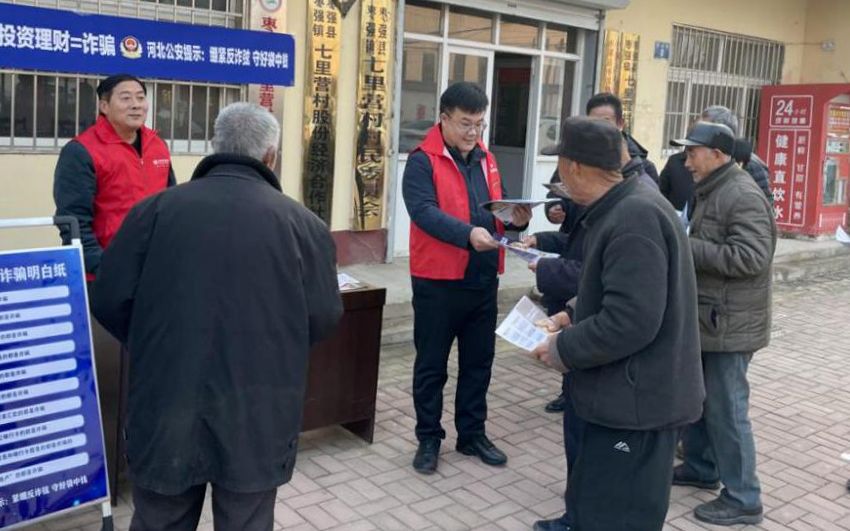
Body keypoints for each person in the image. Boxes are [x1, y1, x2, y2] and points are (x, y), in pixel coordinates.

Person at [91, 103, 343, 530]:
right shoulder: (303, 225)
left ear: (215, 146)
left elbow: (109, 299)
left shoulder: (154, 212)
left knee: (160, 519)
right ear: (270, 156)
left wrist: (153, 344)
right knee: (247, 520)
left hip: (167, 399)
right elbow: (324, 316)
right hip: (259, 406)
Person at [529, 117, 704, 530]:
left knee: (615, 516)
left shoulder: (634, 216)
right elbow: (622, 289)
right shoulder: (624, 205)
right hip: (627, 397)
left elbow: (631, 320)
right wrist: (571, 313)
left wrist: (562, 348)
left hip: (637, 406)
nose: (559, 176)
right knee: (594, 506)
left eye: (560, 166)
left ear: (574, 167)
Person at [403, 82, 531, 475]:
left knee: (479, 362)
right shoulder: (422, 161)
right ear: (443, 119)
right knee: (432, 366)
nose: (473, 132)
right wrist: (467, 234)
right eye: (465, 124)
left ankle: (472, 434)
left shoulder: (487, 159)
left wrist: (516, 220)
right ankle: (428, 437)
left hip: (482, 278)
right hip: (438, 282)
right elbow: (424, 212)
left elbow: (498, 207)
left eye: (479, 124)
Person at [670, 121, 776, 526]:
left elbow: (752, 258)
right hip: (710, 317)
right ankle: (701, 467)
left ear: (717, 154)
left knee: (728, 410)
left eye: (692, 153)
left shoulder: (741, 194)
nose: (686, 161)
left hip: (731, 324)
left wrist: (688, 246)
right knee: (701, 400)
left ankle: (744, 497)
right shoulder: (712, 188)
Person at [53, 73, 175, 279]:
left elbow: (171, 204)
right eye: (126, 98)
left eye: (140, 97)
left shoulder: (158, 145)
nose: (136, 105)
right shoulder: (81, 151)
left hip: (155, 269)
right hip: (107, 273)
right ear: (104, 106)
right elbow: (73, 220)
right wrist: (103, 267)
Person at [659, 105, 772, 211]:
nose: (688, 163)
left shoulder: (749, 170)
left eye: (703, 129)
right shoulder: (677, 162)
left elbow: (761, 211)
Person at [586, 92, 659, 183]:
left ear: (620, 124)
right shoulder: (578, 162)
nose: (599, 128)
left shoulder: (644, 168)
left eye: (605, 122)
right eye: (593, 122)